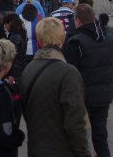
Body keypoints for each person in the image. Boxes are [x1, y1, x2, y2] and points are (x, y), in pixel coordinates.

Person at [20, 17, 93, 156]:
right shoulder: (68, 72)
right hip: (62, 149)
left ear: (39, 40)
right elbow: (75, 121)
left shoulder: (28, 69)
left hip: (36, 147)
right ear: (62, 38)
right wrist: (84, 152)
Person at [64, 4, 113, 157]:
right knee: (100, 136)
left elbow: (70, 71)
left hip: (84, 96)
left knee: (81, 138)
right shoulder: (109, 37)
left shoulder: (76, 42)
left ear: (78, 21)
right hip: (104, 94)